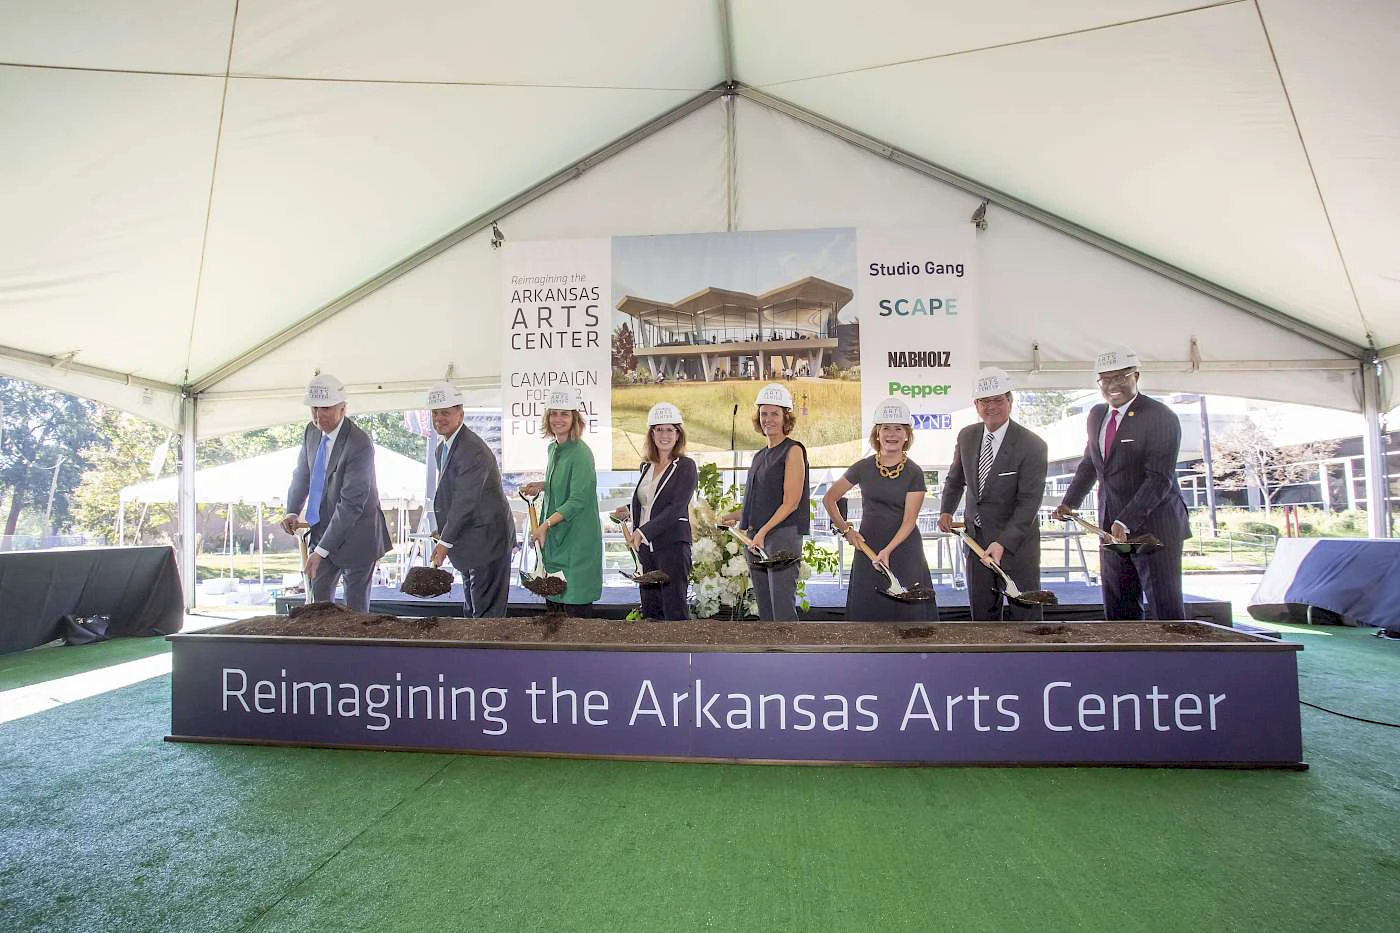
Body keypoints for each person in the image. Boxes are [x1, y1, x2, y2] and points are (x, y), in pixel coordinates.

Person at [1052, 348, 1190, 620]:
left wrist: (1125, 521)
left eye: (1121, 377)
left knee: (1165, 609)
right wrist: (1069, 502)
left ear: (1136, 376)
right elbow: (1091, 463)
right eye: (1105, 379)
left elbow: (1159, 478)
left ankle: (1175, 662)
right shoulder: (1097, 415)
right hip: (1111, 529)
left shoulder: (1160, 416)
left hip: (1155, 528)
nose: (1113, 385)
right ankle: (1126, 662)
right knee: (1118, 609)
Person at [938, 369, 1049, 621]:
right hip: (976, 544)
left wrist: (1003, 543)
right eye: (984, 401)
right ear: (976, 405)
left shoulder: (1032, 445)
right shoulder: (967, 436)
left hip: (1016, 548)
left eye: (998, 399)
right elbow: (956, 478)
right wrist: (946, 510)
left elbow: (1029, 504)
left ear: (1010, 401)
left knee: (1026, 617)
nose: (991, 407)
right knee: (982, 619)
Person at [280, 372, 390, 612]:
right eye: (314, 409)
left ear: (342, 408)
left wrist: (320, 551)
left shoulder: (359, 443)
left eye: (326, 409)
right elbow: (302, 473)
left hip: (359, 536)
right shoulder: (311, 431)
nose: (319, 416)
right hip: (322, 530)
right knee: (318, 609)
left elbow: (351, 504)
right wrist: (292, 510)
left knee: (355, 614)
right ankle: (321, 650)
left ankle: (358, 651)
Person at [823, 397, 936, 622]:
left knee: (907, 615)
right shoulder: (863, 467)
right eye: (886, 428)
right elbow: (829, 499)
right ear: (877, 433)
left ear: (907, 435)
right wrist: (847, 531)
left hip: (904, 550)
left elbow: (909, 522)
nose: (891, 434)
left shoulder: (914, 472)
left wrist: (888, 550)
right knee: (867, 611)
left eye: (898, 429)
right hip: (868, 548)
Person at [425, 381, 513, 618]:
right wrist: (444, 533)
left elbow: (465, 500)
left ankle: (487, 655)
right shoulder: (443, 448)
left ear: (460, 414)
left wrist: (445, 541)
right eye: (435, 412)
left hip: (487, 543)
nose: (439, 418)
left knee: (486, 618)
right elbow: (450, 497)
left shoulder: (471, 450)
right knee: (473, 611)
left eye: (445, 412)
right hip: (469, 543)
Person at [723, 383, 810, 621]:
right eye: (763, 413)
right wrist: (738, 516)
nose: (768, 419)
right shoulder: (759, 456)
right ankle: (770, 656)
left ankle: (788, 656)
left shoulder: (793, 451)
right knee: (765, 609)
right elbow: (761, 502)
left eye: (774, 413)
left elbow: (791, 503)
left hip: (782, 536)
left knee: (782, 610)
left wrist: (762, 532)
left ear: (786, 418)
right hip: (757, 536)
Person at [519, 389, 603, 615]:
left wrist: (545, 525)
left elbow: (577, 500)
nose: (558, 419)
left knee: (575, 607)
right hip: (557, 539)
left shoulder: (581, 453)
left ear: (575, 418)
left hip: (577, 540)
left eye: (564, 414)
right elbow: (564, 482)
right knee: (554, 605)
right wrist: (543, 484)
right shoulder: (553, 449)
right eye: (553, 414)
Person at [616, 401, 698, 621]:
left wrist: (643, 532)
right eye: (659, 429)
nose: (664, 435)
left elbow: (676, 507)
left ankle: (680, 654)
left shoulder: (686, 466)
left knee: (674, 606)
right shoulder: (646, 466)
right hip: (646, 549)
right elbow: (649, 502)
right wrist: (627, 512)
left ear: (678, 434)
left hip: (672, 546)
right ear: (651, 434)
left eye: (670, 429)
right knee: (650, 607)